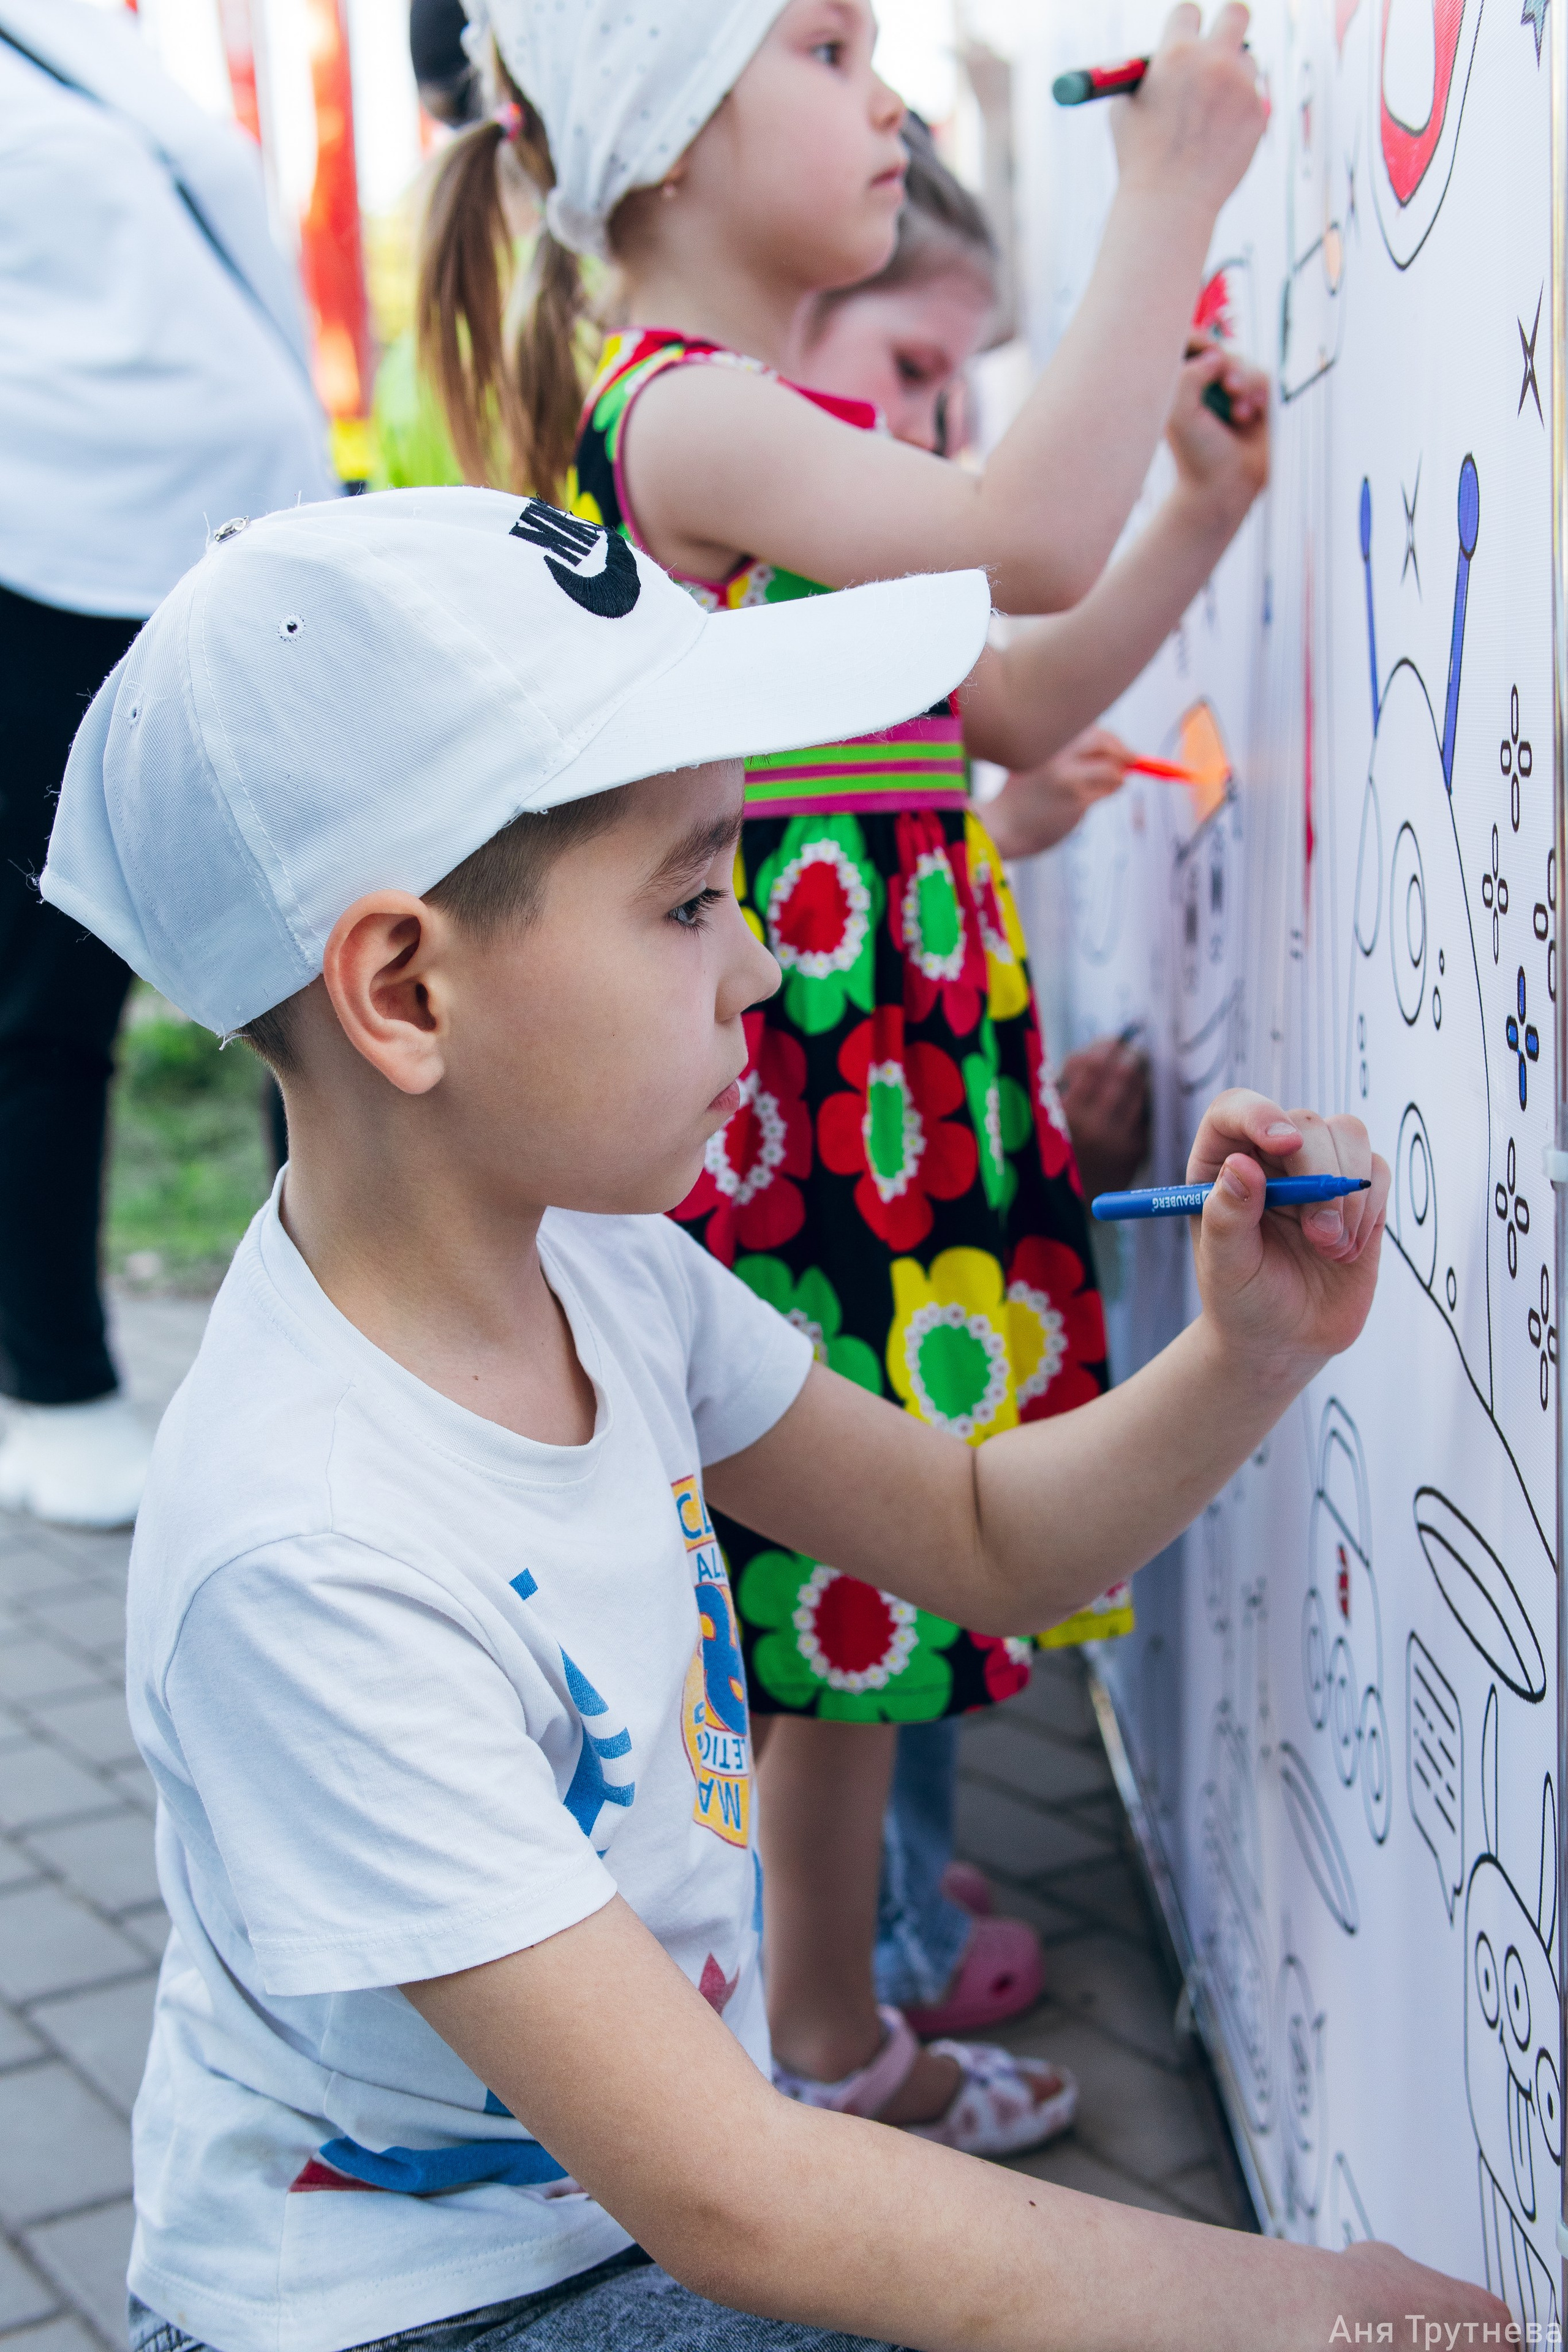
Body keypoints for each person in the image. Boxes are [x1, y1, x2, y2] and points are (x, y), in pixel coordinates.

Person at [42, 487, 1502, 2352]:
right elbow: (739, 2193)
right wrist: (1314, 2313)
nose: (762, 963)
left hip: (648, 2209)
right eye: (687, 899)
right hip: (408, 2312)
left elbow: (984, 1539)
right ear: (405, 988)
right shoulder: (310, 1551)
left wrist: (1251, 1354)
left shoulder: (606, 1271)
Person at [418, 0, 1270, 2138]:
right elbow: (1027, 532)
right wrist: (1169, 188)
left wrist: (1204, 505)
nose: (884, 94)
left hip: (880, 1113)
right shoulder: (687, 415)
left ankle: (817, 2031)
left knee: (847, 1607)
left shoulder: (777, 431)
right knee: (830, 1596)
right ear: (671, 134)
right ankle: (816, 2051)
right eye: (823, 46)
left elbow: (1023, 675)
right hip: (813, 1120)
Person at [783, 118, 1157, 2035]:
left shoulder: (842, 574)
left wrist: (1211, 507)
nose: (938, 428)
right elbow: (1016, 626)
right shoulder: (756, 523)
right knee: (854, 1590)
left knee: (891, 1574)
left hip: (904, 1153)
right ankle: (862, 1985)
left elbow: (994, 711)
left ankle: (882, 1925)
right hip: (838, 1177)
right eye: (915, 374)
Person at [0, 0, 334, 1528]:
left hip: (239, 544)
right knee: (46, 992)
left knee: (311, 961)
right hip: (44, 562)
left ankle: (334, 1359)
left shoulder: (81, 33)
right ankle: (53, 1375)